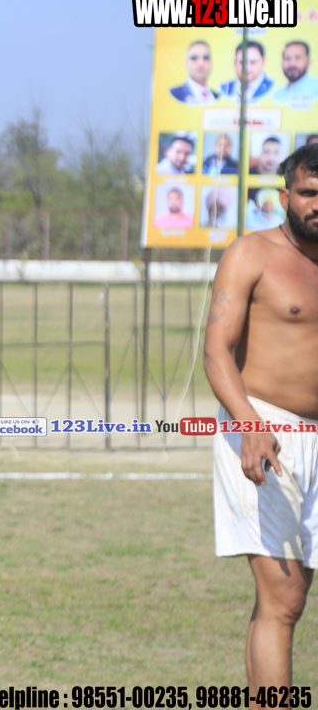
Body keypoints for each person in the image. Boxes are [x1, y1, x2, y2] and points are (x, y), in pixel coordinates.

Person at [203, 143, 318, 693]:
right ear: (285, 196)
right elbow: (216, 351)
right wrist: (249, 423)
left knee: (287, 601)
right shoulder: (251, 253)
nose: (317, 204)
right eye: (309, 193)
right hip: (266, 431)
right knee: (284, 598)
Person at [170, 40, 221, 105]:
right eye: (194, 57)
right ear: (186, 64)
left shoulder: (217, 97)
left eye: (206, 57)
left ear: (211, 63)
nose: (201, 63)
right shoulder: (174, 94)